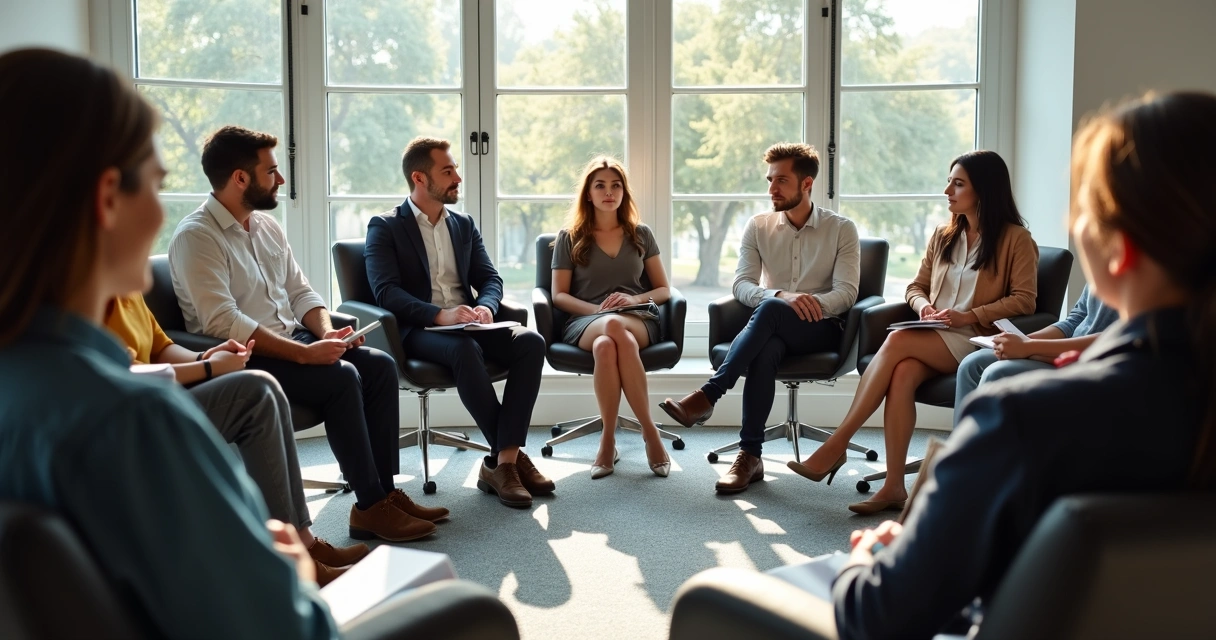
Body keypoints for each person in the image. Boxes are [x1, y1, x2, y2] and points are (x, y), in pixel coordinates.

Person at [0, 47, 416, 639]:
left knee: (364, 365)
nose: (160, 215)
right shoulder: (136, 421)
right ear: (108, 199)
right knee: (468, 610)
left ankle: (378, 497)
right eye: (156, 184)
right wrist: (293, 573)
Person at [824, 91, 1216, 640]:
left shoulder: (1023, 419)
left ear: (1119, 247)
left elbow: (877, 617)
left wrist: (865, 561)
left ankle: (844, 449)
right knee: (903, 359)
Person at [169, 126, 445, 542]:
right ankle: (370, 507)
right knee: (341, 378)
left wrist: (327, 334)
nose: (280, 180)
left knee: (379, 366)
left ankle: (385, 492)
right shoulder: (197, 237)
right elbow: (222, 321)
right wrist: (304, 355)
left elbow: (301, 293)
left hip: (293, 340)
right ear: (241, 178)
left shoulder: (265, 227)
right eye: (272, 171)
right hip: (245, 357)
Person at [785, 150, 1037, 514]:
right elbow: (915, 287)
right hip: (934, 332)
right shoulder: (944, 233)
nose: (947, 189)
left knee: (898, 339)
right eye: (950, 180)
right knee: (902, 373)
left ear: (984, 190)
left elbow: (1025, 301)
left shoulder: (1016, 239)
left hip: (975, 339)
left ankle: (837, 443)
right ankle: (893, 488)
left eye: (958, 183)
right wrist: (925, 308)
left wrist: (970, 315)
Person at [103, 292, 369, 585]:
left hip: (164, 395)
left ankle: (303, 541)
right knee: (254, 393)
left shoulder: (128, 292)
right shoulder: (92, 295)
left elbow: (161, 347)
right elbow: (121, 374)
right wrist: (207, 368)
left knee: (266, 388)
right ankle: (285, 564)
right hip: (137, 410)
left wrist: (208, 355)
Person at [660, 143, 861, 494]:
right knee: (767, 342)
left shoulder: (841, 229)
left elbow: (847, 294)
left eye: (781, 180)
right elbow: (742, 284)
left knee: (769, 309)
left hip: (823, 329)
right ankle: (750, 456)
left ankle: (709, 394)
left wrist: (806, 304)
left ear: (807, 183)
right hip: (771, 330)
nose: (772, 189)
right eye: (769, 180)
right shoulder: (758, 226)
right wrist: (782, 296)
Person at [364, 136, 552, 508]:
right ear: (419, 178)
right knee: (464, 349)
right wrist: (438, 314)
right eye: (447, 171)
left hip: (470, 324)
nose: (457, 179)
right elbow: (386, 293)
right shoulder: (385, 227)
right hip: (418, 332)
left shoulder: (463, 225)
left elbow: (490, 279)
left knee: (531, 341)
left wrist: (485, 306)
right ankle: (506, 461)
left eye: (455, 170)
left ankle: (504, 462)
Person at [551, 157, 673, 479]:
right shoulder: (570, 236)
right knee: (607, 337)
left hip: (637, 316)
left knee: (611, 339)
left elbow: (663, 290)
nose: (609, 192)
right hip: (586, 320)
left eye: (616, 185)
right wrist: (597, 311)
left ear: (624, 192)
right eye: (600, 186)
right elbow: (559, 295)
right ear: (588, 194)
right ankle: (645, 433)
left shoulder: (641, 234)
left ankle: (612, 442)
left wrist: (633, 298)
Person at [952, 282, 1118, 425]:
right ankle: (958, 457)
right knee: (972, 364)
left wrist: (1030, 347)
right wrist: (1023, 340)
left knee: (996, 373)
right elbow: (1075, 319)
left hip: (1088, 363)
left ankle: (986, 457)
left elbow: (1114, 338)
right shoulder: (1104, 259)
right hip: (1058, 351)